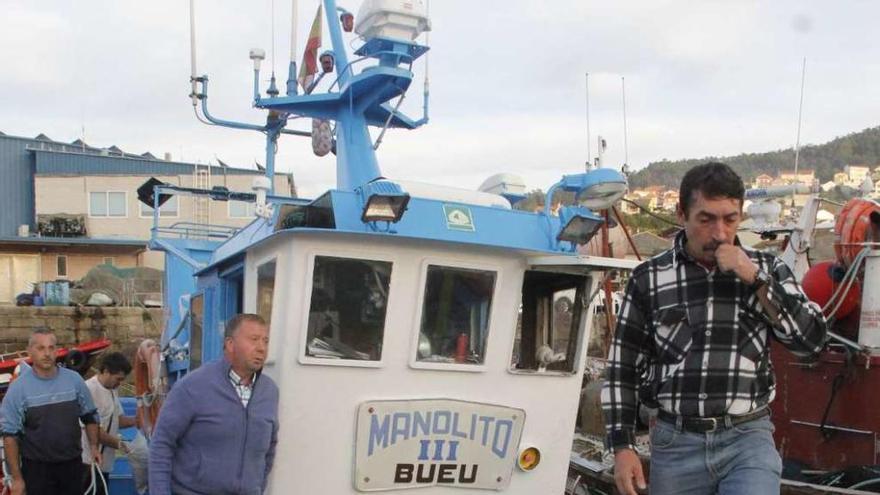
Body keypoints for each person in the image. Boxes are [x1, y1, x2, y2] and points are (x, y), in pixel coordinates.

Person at [602, 162, 827, 495]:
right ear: (682, 214)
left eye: (730, 219)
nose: (720, 232)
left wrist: (755, 279)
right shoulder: (648, 279)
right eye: (706, 219)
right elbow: (622, 369)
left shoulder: (767, 269)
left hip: (747, 437)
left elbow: (811, 342)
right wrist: (622, 446)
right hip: (675, 442)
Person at [149, 313, 279, 495]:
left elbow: (268, 451)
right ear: (230, 344)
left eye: (265, 341)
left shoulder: (270, 391)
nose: (261, 348)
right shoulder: (192, 386)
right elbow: (161, 444)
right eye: (254, 339)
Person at [0, 328, 101, 495]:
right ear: (30, 351)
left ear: (57, 350)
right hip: (36, 470)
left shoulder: (74, 380)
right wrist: (17, 479)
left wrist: (93, 446)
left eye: (51, 347)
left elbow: (90, 415)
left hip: (72, 466)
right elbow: (10, 435)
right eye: (41, 348)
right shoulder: (18, 389)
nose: (47, 353)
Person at [81, 351, 137, 495]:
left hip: (104, 464)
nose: (120, 383)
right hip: (87, 463)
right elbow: (92, 428)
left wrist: (137, 421)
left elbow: (117, 419)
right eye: (118, 379)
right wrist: (119, 444)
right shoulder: (89, 390)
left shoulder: (112, 390)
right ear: (106, 371)